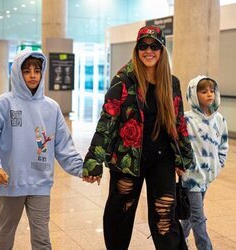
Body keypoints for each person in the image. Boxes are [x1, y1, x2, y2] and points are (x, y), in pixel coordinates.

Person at [82, 25, 194, 250]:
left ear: (162, 50)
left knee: (165, 217)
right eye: (143, 46)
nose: (148, 51)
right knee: (119, 213)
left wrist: (184, 157)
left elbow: (179, 123)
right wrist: (93, 161)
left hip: (162, 159)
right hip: (127, 159)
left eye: (154, 46)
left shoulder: (171, 83)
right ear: (137, 49)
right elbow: (107, 121)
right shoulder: (123, 80)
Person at [0, 49, 83, 249]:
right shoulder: (5, 102)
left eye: (37, 70)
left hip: (41, 183)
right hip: (11, 182)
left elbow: (64, 146)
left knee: (42, 238)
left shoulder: (52, 107)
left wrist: (84, 169)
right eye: (26, 70)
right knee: (5, 233)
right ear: (17, 73)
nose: (32, 75)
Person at [180, 76, 229, 250]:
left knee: (190, 214)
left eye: (212, 90)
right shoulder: (186, 119)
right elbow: (179, 144)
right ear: (194, 94)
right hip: (191, 178)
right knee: (198, 218)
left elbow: (223, 144)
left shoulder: (219, 120)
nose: (209, 94)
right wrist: (183, 167)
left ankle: (181, 238)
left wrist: (219, 163)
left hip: (207, 177)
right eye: (203, 91)